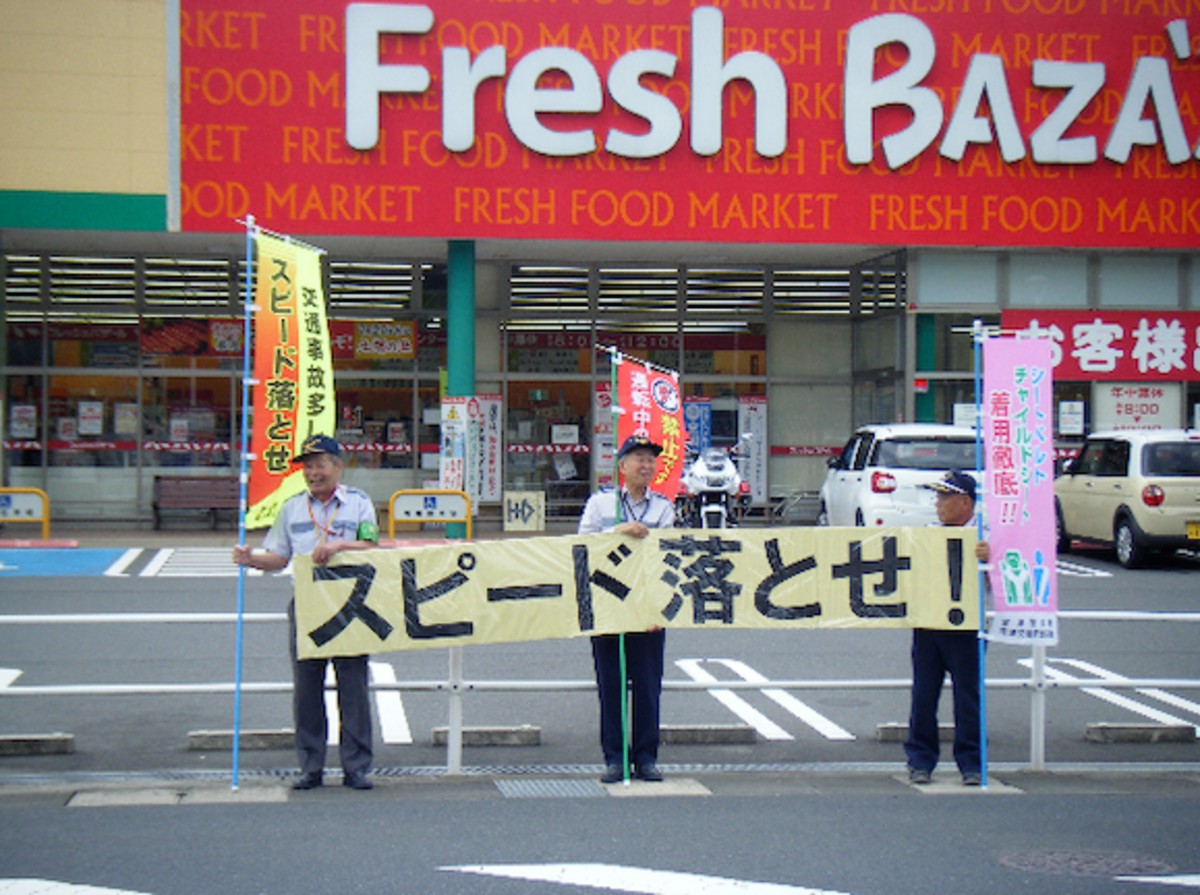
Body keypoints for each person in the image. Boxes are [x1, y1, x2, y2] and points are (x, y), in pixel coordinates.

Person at [232, 434, 380, 791]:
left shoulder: (359, 503)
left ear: (338, 467)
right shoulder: (293, 507)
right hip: (308, 605)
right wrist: (251, 559)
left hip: (350, 604)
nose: (313, 473)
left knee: (353, 686)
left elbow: (372, 544)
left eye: (320, 464)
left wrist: (340, 544)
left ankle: (355, 767)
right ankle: (311, 766)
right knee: (307, 689)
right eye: (308, 466)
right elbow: (278, 556)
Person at [579, 434, 676, 783]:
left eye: (651, 459)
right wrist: (618, 531)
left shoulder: (664, 507)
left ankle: (646, 757)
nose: (646, 465)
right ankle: (615, 758)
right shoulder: (600, 504)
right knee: (612, 684)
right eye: (638, 458)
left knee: (649, 686)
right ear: (622, 466)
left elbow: (670, 557)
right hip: (607, 607)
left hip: (648, 609)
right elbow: (583, 546)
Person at [904, 469, 991, 787]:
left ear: (964, 501)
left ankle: (972, 763)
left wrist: (990, 560)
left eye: (944, 496)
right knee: (924, 696)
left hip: (968, 628)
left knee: (968, 697)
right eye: (938, 496)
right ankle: (920, 760)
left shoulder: (985, 535)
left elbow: (1007, 580)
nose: (938, 503)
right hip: (928, 624)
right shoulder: (929, 534)